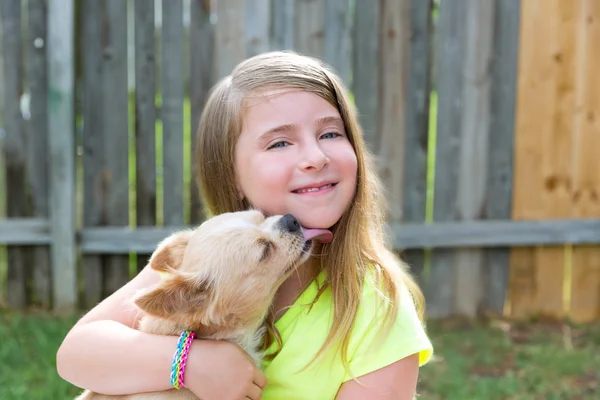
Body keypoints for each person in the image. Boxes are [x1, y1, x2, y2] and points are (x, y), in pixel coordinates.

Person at [57, 50, 433, 400]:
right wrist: (189, 364)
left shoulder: (377, 308)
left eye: (330, 133)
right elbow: (75, 354)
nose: (314, 157)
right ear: (232, 176)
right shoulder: (206, 264)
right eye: (280, 143)